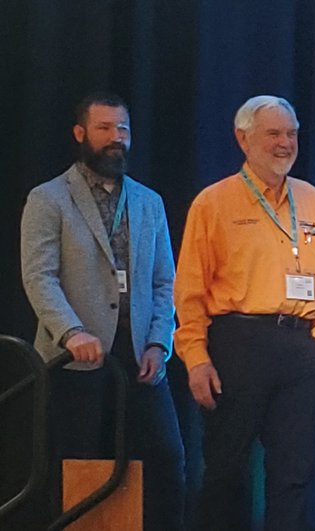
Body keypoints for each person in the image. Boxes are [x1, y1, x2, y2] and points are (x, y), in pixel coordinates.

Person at [174, 95, 315, 530]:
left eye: (291, 133)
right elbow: (189, 291)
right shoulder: (213, 203)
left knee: (295, 473)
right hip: (238, 344)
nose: (285, 143)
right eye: (274, 134)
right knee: (226, 471)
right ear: (243, 139)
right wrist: (196, 358)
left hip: (302, 347)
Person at [20, 92, 184, 530]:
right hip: (76, 361)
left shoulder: (149, 202)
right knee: (79, 469)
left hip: (139, 358)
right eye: (105, 128)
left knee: (166, 461)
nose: (116, 138)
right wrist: (71, 332)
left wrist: (159, 343)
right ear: (80, 134)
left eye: (123, 129)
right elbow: (39, 277)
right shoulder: (48, 198)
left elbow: (165, 282)